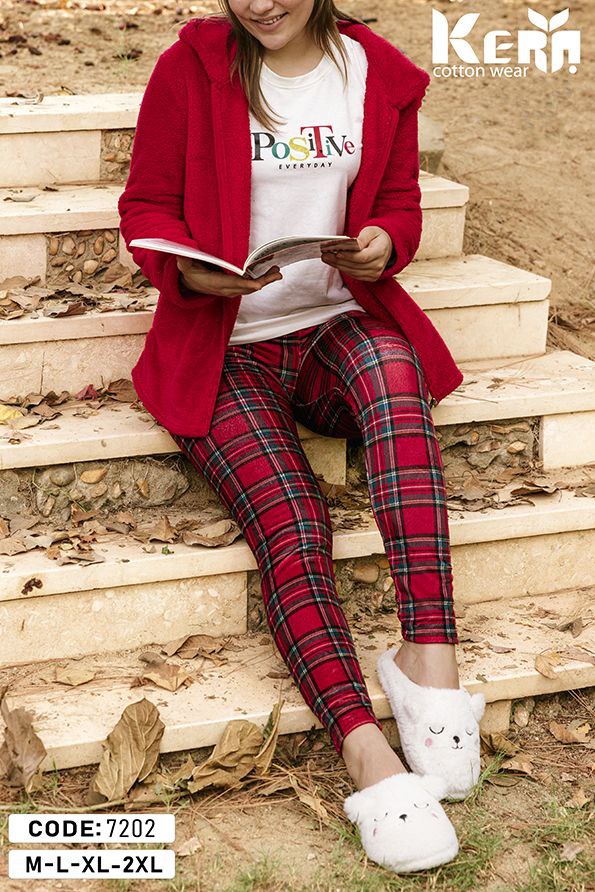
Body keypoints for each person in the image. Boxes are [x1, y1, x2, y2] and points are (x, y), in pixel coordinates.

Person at [118, 0, 484, 874]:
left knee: (393, 375)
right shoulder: (191, 67)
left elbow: (398, 203)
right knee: (292, 514)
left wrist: (382, 242)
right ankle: (366, 752)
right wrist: (191, 272)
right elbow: (145, 208)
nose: (259, 4)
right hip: (223, 349)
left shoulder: (376, 73)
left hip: (332, 327)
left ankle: (428, 665)